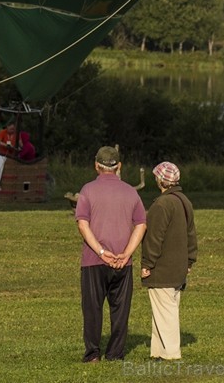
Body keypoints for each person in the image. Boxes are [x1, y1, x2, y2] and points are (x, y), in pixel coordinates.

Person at [75, 146, 147, 362]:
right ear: (119, 166)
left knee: (92, 309)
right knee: (120, 311)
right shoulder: (131, 192)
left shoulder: (87, 190)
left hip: (93, 261)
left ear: (96, 165)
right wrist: (126, 254)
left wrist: (101, 251)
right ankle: (115, 353)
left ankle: (93, 353)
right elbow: (141, 225)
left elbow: (82, 224)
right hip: (123, 264)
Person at [141, 162, 198, 361]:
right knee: (162, 310)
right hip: (179, 267)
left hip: (163, 268)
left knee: (166, 311)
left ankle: (172, 354)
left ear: (159, 180)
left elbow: (154, 238)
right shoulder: (184, 201)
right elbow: (191, 234)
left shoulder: (161, 204)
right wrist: (190, 261)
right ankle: (158, 351)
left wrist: (147, 264)